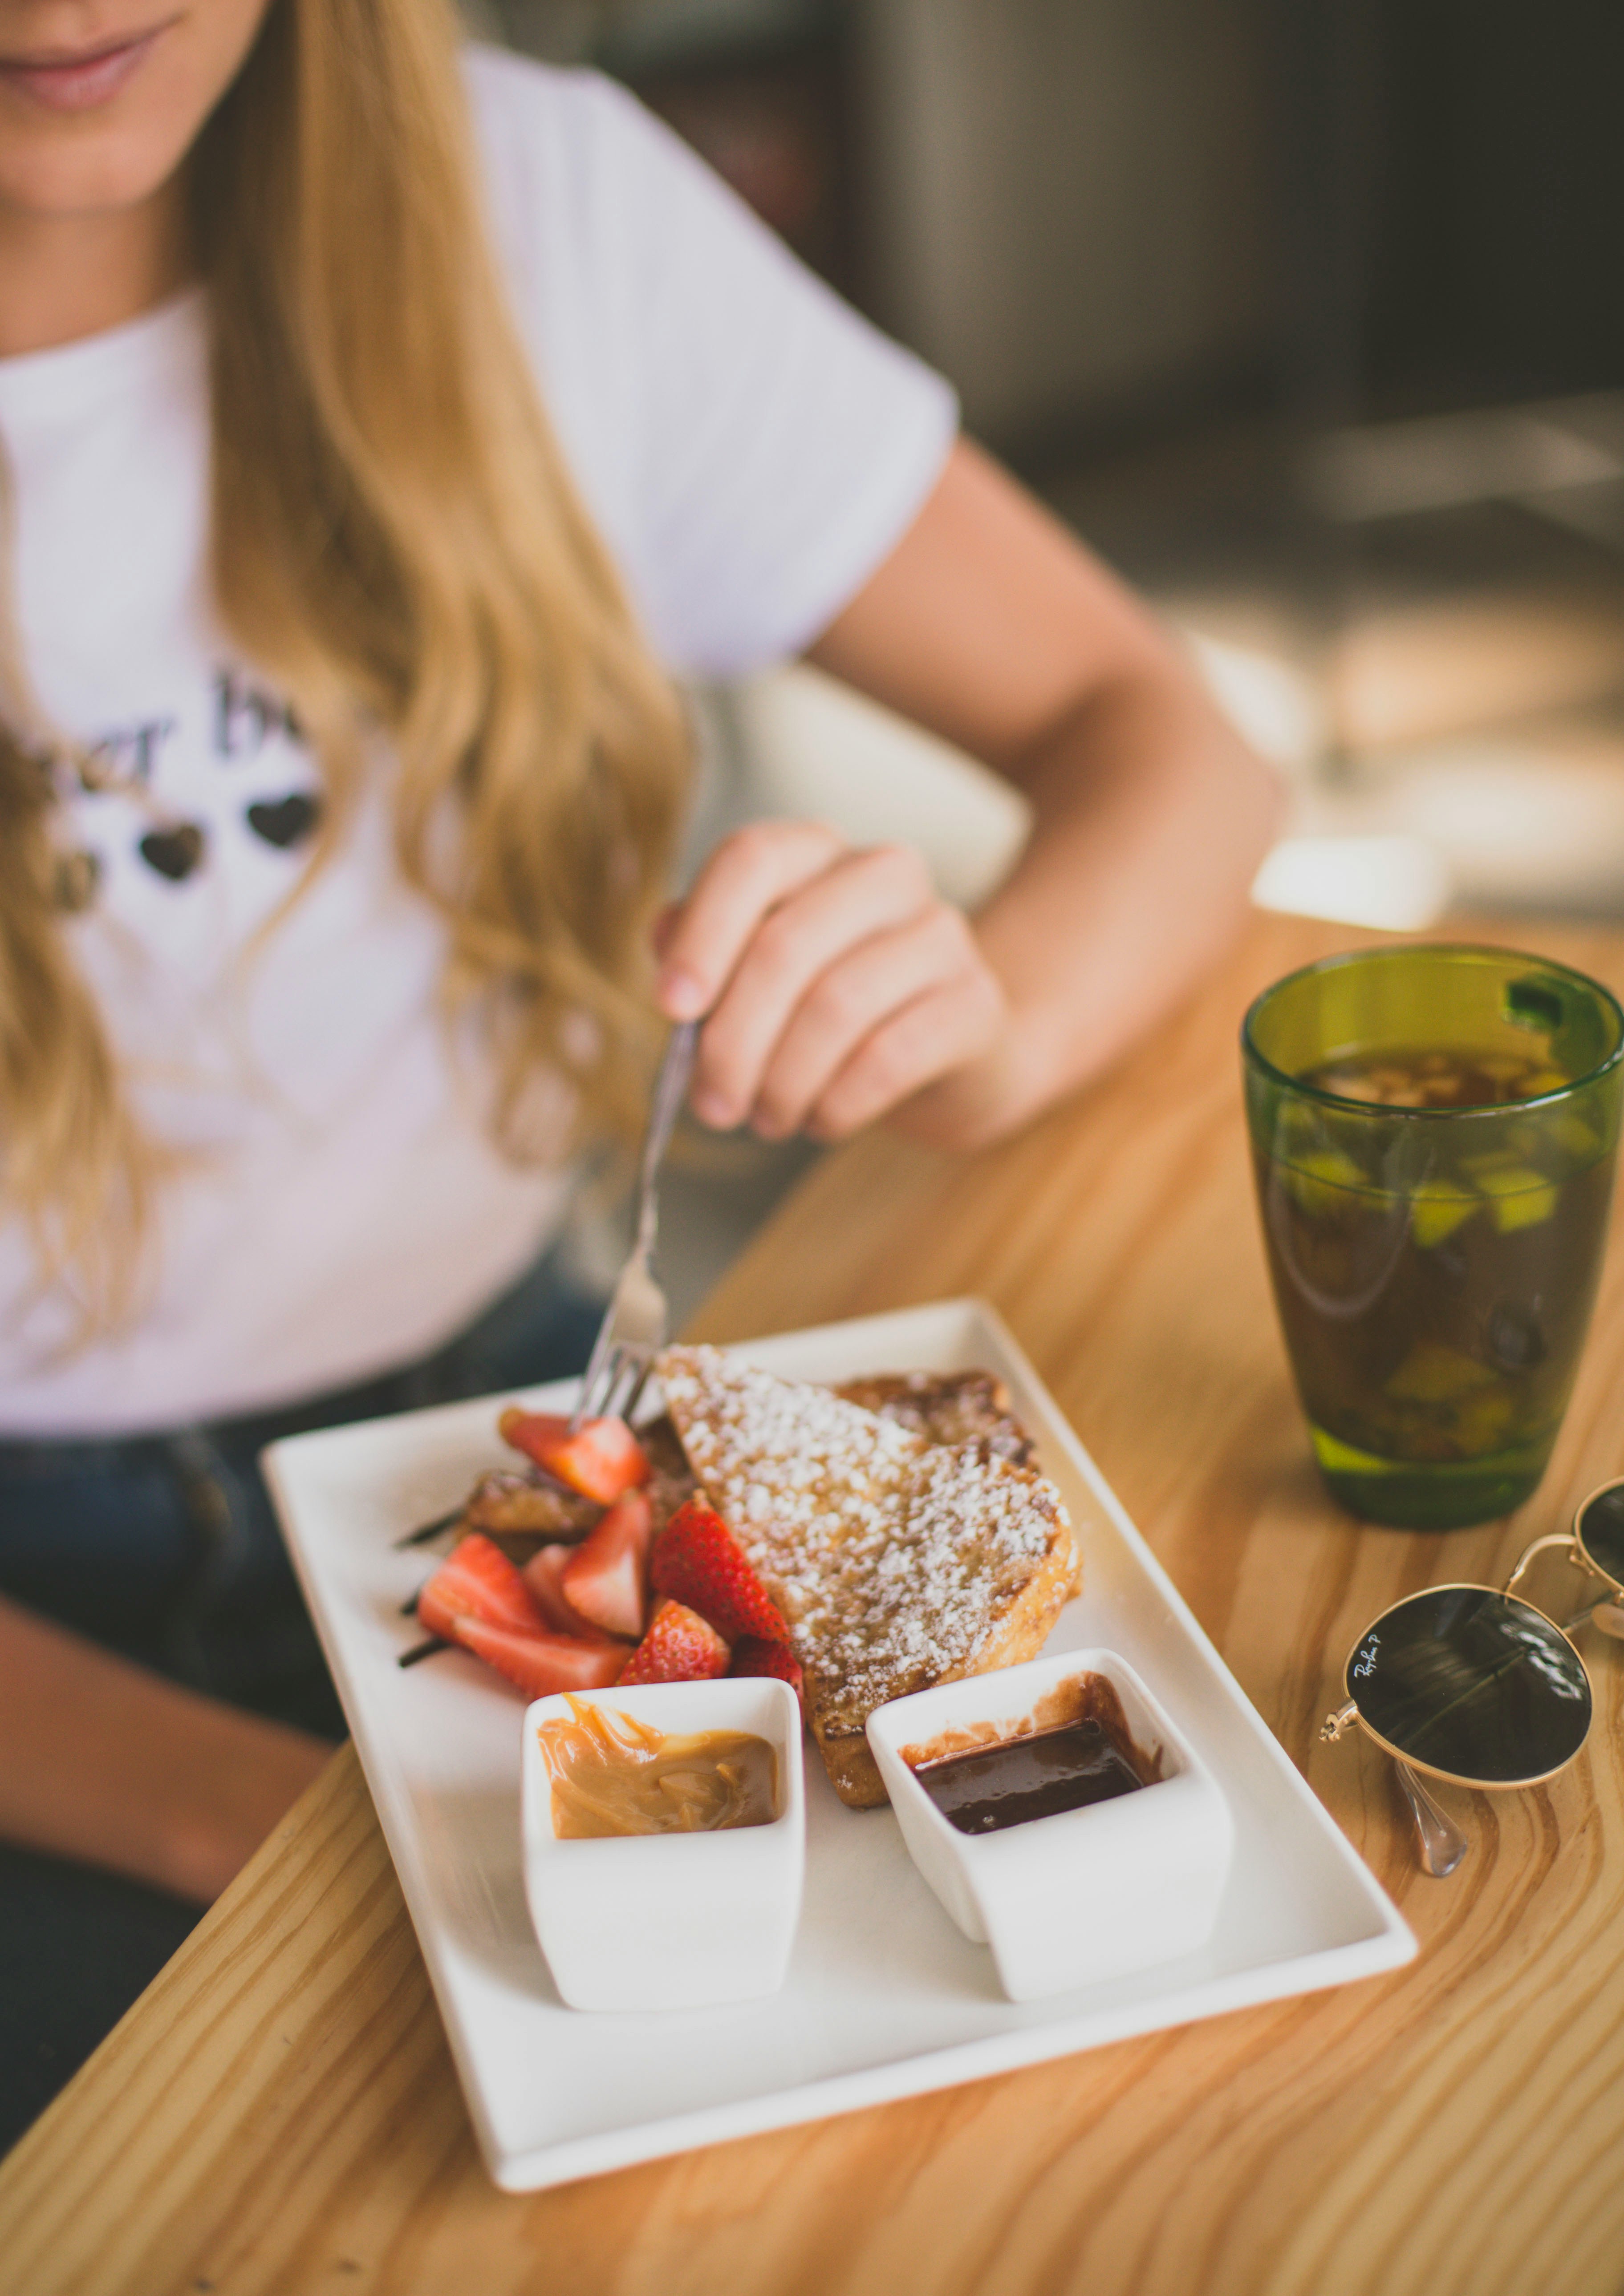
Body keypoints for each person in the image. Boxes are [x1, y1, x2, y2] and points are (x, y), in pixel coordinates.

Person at [0, 0, 1281, 2138]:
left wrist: (983, 1019)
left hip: (522, 1417)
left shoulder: (539, 213)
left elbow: (1169, 748)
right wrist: (323, 1838)